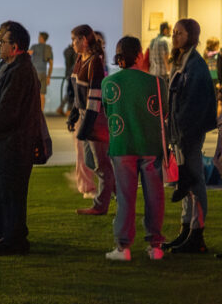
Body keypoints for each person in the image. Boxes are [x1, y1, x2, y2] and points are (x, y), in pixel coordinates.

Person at [102, 36, 167, 262]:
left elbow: (108, 112)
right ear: (140, 55)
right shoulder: (157, 83)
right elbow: (163, 114)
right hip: (151, 145)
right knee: (155, 196)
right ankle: (155, 246)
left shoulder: (109, 83)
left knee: (125, 196)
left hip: (122, 145)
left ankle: (123, 247)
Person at [0, 21, 39, 255]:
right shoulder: (18, 68)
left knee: (11, 190)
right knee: (10, 190)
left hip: (14, 142)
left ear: (15, 47)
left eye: (3, 42)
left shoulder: (19, 71)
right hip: (14, 140)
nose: (0, 46)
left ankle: (13, 240)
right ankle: (12, 235)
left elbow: (9, 108)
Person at [165, 18, 216, 254]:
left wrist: (182, 130)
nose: (175, 36)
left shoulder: (196, 65)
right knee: (184, 182)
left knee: (194, 181)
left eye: (180, 33)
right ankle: (186, 230)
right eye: (174, 32)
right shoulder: (181, 61)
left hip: (189, 133)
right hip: (180, 133)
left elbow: (194, 104)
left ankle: (197, 234)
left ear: (192, 36)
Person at [69, 24, 116, 216]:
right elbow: (78, 91)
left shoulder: (95, 62)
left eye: (74, 39)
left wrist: (87, 124)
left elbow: (95, 96)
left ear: (84, 40)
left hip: (94, 117)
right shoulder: (80, 59)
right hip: (84, 113)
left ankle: (101, 205)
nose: (72, 44)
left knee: (102, 164)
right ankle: (120, 195)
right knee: (90, 161)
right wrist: (74, 113)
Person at [30, 31, 54, 110]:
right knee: (42, 95)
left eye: (39, 36)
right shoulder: (48, 48)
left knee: (33, 94)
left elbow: (28, 54)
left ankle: (33, 112)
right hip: (43, 73)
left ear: (41, 38)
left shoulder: (34, 46)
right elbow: (51, 64)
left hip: (34, 73)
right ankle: (41, 113)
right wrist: (49, 77)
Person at [57, 40, 77, 116]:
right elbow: (75, 62)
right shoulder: (74, 52)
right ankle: (68, 110)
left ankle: (61, 107)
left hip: (67, 73)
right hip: (73, 73)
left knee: (69, 92)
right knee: (72, 92)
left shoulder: (66, 51)